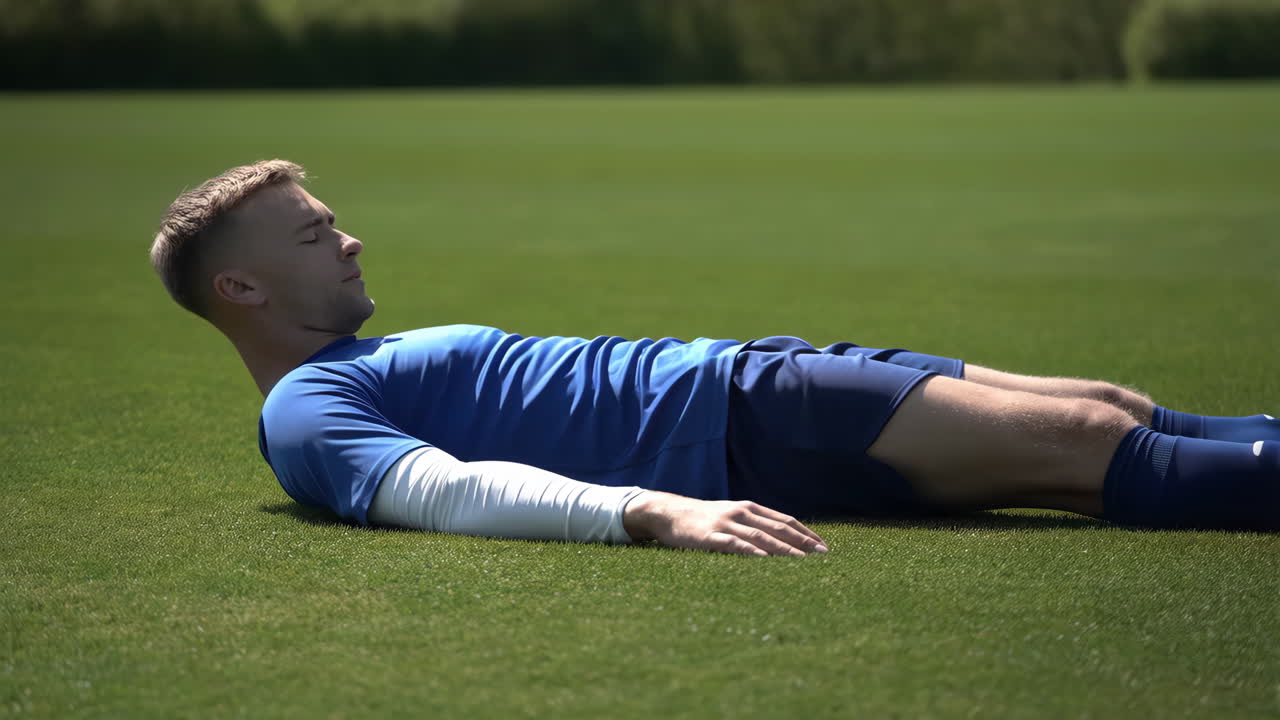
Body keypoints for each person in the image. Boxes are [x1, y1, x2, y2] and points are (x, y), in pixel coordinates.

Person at [149, 160, 1279, 557]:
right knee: (1086, 446)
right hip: (741, 420)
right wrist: (652, 511)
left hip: (754, 377)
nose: (346, 239)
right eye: (311, 235)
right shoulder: (304, 408)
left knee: (1105, 402)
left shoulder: (360, 359)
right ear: (238, 289)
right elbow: (443, 493)